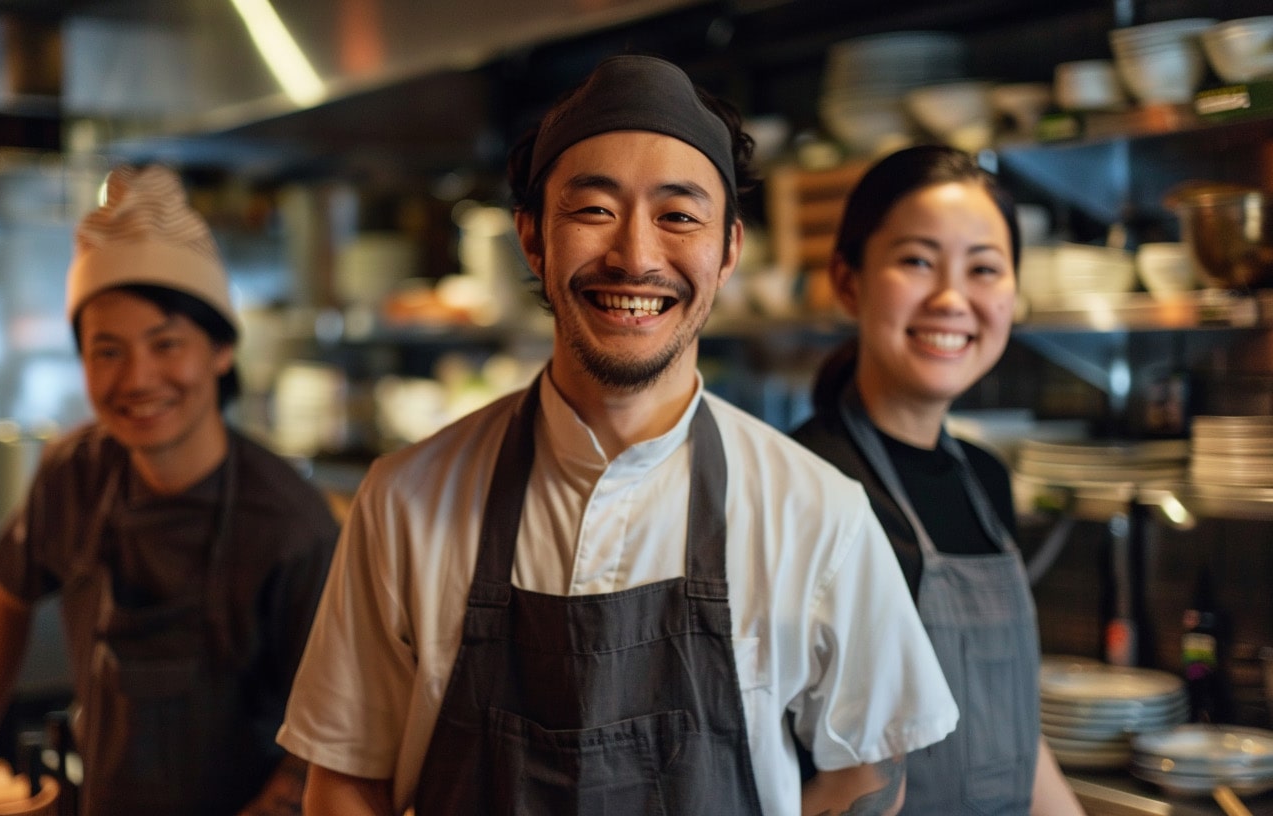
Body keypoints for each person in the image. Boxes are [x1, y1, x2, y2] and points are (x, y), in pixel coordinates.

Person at [278, 54, 958, 816]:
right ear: (532, 239)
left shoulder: (818, 513)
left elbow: (866, 776)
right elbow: (345, 784)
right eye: (594, 210)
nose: (635, 256)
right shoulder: (405, 500)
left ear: (729, 249)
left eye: (678, 216)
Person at [0, 166, 339, 816]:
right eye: (107, 351)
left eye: (165, 344)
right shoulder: (76, 471)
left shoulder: (291, 523)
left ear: (221, 350)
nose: (138, 379)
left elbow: (326, 736)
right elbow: (5, 598)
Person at [790, 144, 1085, 816]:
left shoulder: (984, 480)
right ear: (848, 280)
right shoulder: (803, 488)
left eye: (984, 268)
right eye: (917, 261)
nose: (952, 299)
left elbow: (1012, 730)